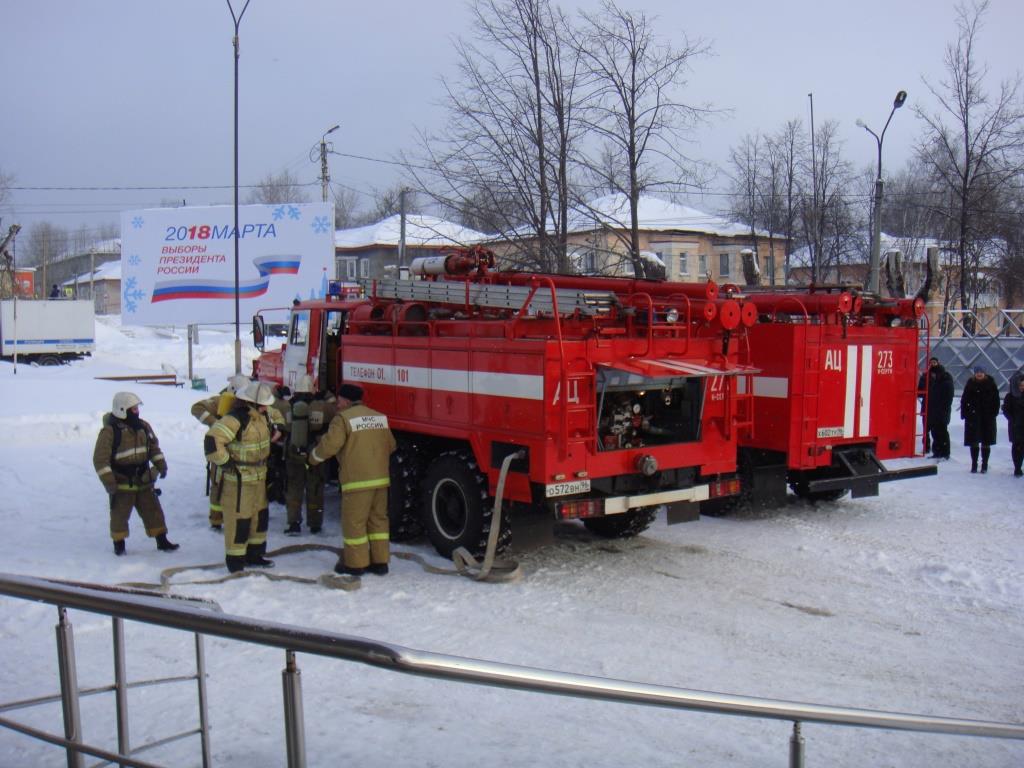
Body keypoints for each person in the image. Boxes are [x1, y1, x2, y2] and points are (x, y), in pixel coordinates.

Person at [309, 383, 396, 578]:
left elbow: (329, 446)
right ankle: (380, 562)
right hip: (381, 480)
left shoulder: (343, 419)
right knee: (378, 521)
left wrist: (312, 458)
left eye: (339, 400)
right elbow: (391, 445)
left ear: (347, 401)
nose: (337, 404)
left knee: (354, 523)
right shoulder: (379, 417)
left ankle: (356, 565)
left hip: (357, 481)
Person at [205, 381, 282, 572]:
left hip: (259, 477)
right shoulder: (235, 419)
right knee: (239, 520)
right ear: (252, 403)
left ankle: (255, 555)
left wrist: (279, 427)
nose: (267, 407)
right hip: (238, 481)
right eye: (263, 404)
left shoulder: (262, 416)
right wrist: (225, 462)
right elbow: (212, 441)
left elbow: (278, 415)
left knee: (259, 518)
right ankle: (236, 560)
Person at [93, 392, 179, 556]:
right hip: (122, 483)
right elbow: (100, 460)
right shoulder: (109, 432)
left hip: (144, 480)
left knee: (154, 511)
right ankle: (119, 545)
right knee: (119, 515)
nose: (137, 411)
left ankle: (162, 540)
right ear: (122, 409)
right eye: (133, 408)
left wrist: (161, 464)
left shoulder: (144, 427)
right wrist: (109, 482)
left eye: (137, 408)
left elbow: (153, 448)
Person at [191, 374, 251, 530]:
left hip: (239, 449)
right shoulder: (220, 401)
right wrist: (215, 423)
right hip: (220, 447)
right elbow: (196, 408)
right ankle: (216, 519)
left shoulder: (249, 401)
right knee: (218, 483)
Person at [283, 375, 336, 535]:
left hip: (293, 452)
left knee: (294, 487)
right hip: (314, 452)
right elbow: (336, 411)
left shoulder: (288, 406)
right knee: (315, 487)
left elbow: (283, 427)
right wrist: (327, 396)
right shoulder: (320, 406)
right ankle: (315, 524)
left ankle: (294, 524)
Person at [960, 365, 1000, 474]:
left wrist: (993, 413)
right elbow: (964, 399)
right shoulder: (970, 384)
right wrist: (965, 413)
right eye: (977, 372)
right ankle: (974, 464)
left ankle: (984, 465)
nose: (979, 374)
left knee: (986, 442)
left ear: (985, 373)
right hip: (973, 417)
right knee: (974, 441)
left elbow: (996, 401)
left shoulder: (991, 384)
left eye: (981, 372)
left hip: (987, 417)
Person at [918, 357, 954, 459]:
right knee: (933, 431)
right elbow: (920, 390)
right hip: (930, 408)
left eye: (935, 362)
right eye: (931, 362)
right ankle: (936, 452)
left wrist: (943, 408)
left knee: (942, 432)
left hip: (941, 411)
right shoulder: (926, 377)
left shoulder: (945, 379)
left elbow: (948, 397)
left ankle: (945, 453)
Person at [1002, 376, 1024, 477]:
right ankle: (1017, 468)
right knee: (1017, 447)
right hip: (1016, 426)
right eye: (1020, 385)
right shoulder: (1010, 397)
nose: (1022, 387)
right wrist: (1013, 419)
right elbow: (1006, 410)